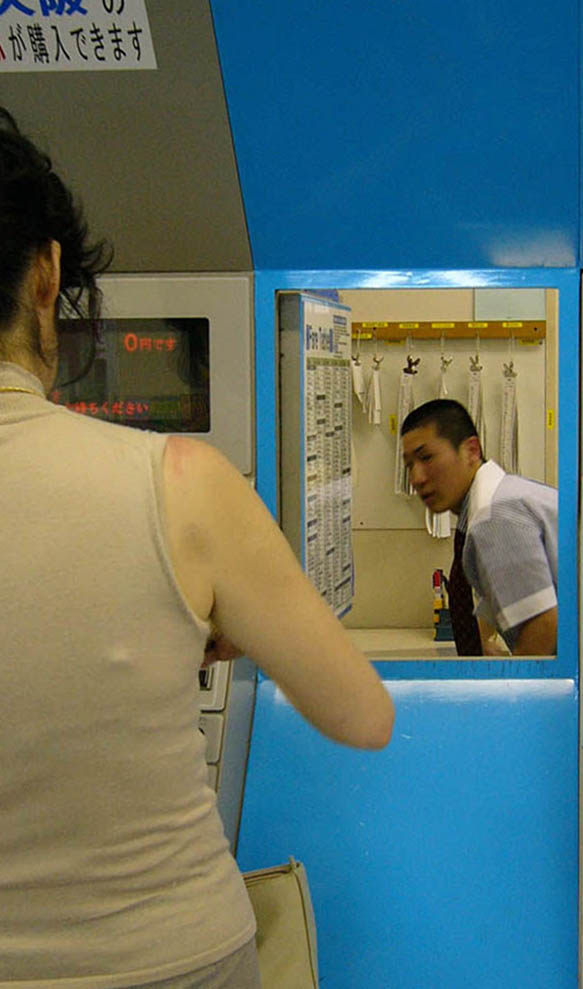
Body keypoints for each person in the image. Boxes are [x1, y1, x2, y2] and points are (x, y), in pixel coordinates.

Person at [0, 107, 394, 988]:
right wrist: (227, 618)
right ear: (45, 272)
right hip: (167, 956)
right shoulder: (180, 477)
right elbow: (360, 715)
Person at [401, 398, 557, 656]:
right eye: (409, 465)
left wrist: (508, 691)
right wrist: (482, 641)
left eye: (426, 457)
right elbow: (509, 586)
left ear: (472, 450)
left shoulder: (495, 516)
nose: (416, 478)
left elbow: (543, 623)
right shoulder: (496, 500)